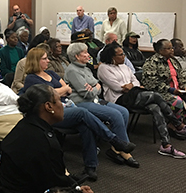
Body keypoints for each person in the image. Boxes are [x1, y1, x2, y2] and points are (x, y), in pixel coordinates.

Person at [0, 84, 124, 193]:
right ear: (48, 107)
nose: (62, 106)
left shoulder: (27, 126)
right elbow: (53, 184)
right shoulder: (41, 140)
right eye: (58, 101)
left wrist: (77, 188)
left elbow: (51, 176)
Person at [23, 47, 137, 180]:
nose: (48, 60)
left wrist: (60, 91)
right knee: (82, 112)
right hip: (51, 115)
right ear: (35, 61)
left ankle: (91, 167)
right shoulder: (31, 79)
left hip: (67, 107)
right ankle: (114, 140)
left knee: (86, 126)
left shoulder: (51, 74)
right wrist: (60, 91)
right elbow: (48, 96)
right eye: (44, 58)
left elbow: (68, 89)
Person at [98, 43, 186, 158]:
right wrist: (130, 86)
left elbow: (135, 81)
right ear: (112, 57)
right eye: (121, 55)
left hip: (133, 94)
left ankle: (166, 145)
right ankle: (178, 125)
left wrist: (130, 85)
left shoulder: (124, 67)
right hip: (118, 99)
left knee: (155, 107)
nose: (124, 57)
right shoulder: (103, 68)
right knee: (155, 96)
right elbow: (117, 87)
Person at [64, 43, 139, 168]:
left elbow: (96, 85)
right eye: (85, 52)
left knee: (124, 111)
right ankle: (124, 150)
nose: (89, 55)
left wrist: (95, 87)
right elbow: (87, 93)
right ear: (77, 56)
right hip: (81, 103)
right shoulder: (72, 70)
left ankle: (116, 149)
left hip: (94, 100)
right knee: (115, 115)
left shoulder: (85, 68)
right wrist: (95, 87)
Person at [142, 39, 186, 125]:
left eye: (172, 48)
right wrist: (171, 90)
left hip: (178, 90)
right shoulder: (151, 62)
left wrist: (185, 86)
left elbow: (181, 76)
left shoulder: (173, 61)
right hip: (161, 92)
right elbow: (151, 83)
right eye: (169, 48)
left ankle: (175, 122)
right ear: (161, 51)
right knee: (178, 103)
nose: (172, 50)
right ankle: (177, 125)